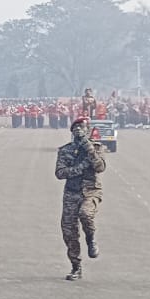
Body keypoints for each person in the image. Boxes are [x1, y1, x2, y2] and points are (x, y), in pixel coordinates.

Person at [55, 117, 106, 281]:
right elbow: (60, 173)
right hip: (71, 192)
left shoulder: (96, 148)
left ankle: (90, 240)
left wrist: (89, 149)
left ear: (88, 130)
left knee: (85, 214)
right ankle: (76, 267)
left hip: (91, 191)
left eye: (82, 128)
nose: (79, 131)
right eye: (76, 128)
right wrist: (81, 167)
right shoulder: (65, 150)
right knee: (69, 232)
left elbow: (100, 167)